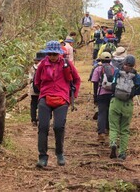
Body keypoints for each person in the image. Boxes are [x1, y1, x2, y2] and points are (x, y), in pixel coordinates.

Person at [34, 40, 81, 168]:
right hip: (45, 97)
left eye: (54, 54)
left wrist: (73, 96)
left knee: (58, 127)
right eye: (50, 54)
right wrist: (44, 91)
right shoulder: (43, 64)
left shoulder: (67, 64)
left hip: (62, 98)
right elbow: (37, 81)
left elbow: (77, 79)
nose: (52, 56)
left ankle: (59, 153)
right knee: (43, 127)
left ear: (59, 54)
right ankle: (42, 157)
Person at [109, 55, 140, 161]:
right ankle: (122, 153)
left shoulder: (117, 72)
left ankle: (113, 143)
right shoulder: (135, 75)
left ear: (123, 63)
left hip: (115, 102)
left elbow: (113, 85)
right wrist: (134, 93)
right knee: (124, 130)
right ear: (133, 65)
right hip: (127, 104)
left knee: (113, 127)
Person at [90, 52, 114, 143]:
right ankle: (108, 129)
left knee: (101, 113)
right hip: (112, 94)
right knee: (109, 112)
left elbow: (95, 83)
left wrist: (95, 96)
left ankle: (101, 133)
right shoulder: (113, 68)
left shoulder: (98, 68)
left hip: (101, 93)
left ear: (101, 59)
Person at [28, 51, 46, 126]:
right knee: (42, 104)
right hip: (43, 89)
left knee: (33, 105)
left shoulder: (32, 68)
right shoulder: (44, 67)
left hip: (33, 89)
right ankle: (40, 118)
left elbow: (29, 79)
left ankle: (33, 120)